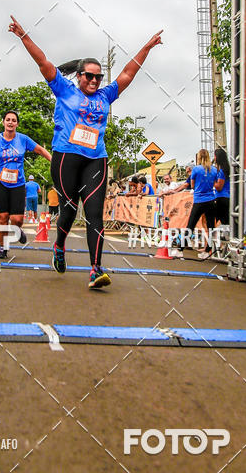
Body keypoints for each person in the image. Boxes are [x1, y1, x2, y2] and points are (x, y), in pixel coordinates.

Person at [9, 14, 162, 289]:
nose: (94, 80)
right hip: (66, 158)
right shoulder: (64, 89)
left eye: (98, 76)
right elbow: (43, 62)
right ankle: (58, 246)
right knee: (68, 210)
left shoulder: (105, 96)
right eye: (89, 76)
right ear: (79, 76)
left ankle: (95, 269)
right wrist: (23, 36)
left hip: (96, 160)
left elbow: (128, 72)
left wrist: (147, 48)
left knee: (94, 214)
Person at [0, 111, 51, 259]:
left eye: (13, 120)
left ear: (17, 123)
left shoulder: (23, 139)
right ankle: (3, 247)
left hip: (18, 184)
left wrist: (54, 161)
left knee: (17, 220)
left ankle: (17, 230)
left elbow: (40, 150)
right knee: (2, 217)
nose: (10, 122)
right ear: (3, 122)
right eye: (8, 120)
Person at [185, 149, 217, 260]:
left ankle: (181, 247)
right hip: (211, 199)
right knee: (210, 225)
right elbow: (214, 183)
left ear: (199, 157)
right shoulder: (213, 170)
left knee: (191, 224)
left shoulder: (196, 169)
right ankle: (209, 249)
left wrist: (198, 187)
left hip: (199, 199)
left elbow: (192, 184)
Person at [213, 147, 230, 227]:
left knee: (222, 220)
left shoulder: (222, 171)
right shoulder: (225, 169)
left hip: (222, 198)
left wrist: (212, 180)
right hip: (225, 197)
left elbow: (219, 187)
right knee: (224, 220)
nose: (214, 158)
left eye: (215, 156)